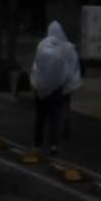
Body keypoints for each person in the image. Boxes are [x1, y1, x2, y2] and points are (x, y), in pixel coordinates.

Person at [30, 21, 82, 155]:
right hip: (57, 89)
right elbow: (71, 68)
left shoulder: (42, 45)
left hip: (41, 88)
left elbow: (36, 65)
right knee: (54, 117)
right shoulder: (67, 48)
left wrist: (36, 83)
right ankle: (53, 144)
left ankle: (37, 144)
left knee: (40, 117)